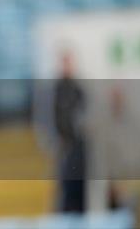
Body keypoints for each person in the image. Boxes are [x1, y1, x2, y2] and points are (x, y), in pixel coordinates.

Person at [53, 51, 86, 212]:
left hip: (76, 145)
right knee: (63, 184)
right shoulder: (55, 89)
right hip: (61, 144)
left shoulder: (78, 88)